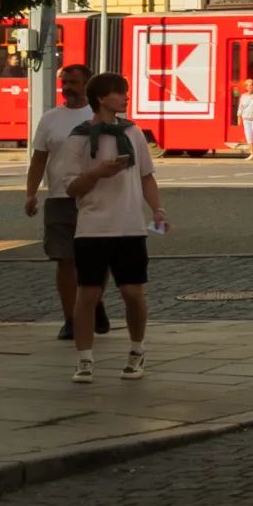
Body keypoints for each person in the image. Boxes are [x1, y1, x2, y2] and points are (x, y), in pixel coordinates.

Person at [57, 71, 166, 383]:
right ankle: (84, 359)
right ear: (101, 99)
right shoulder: (78, 138)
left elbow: (147, 176)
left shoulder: (133, 133)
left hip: (130, 226)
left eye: (125, 92)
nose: (125, 97)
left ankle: (136, 350)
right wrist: (97, 173)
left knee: (133, 293)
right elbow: (71, 188)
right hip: (92, 228)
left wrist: (157, 209)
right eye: (119, 93)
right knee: (87, 295)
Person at [23, 61, 108, 342]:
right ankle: (71, 319)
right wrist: (31, 192)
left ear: (87, 85)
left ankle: (94, 302)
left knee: (96, 259)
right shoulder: (50, 119)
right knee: (64, 260)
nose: (67, 87)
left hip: (94, 197)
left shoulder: (100, 116)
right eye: (64, 82)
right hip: (59, 197)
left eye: (73, 82)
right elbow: (39, 158)